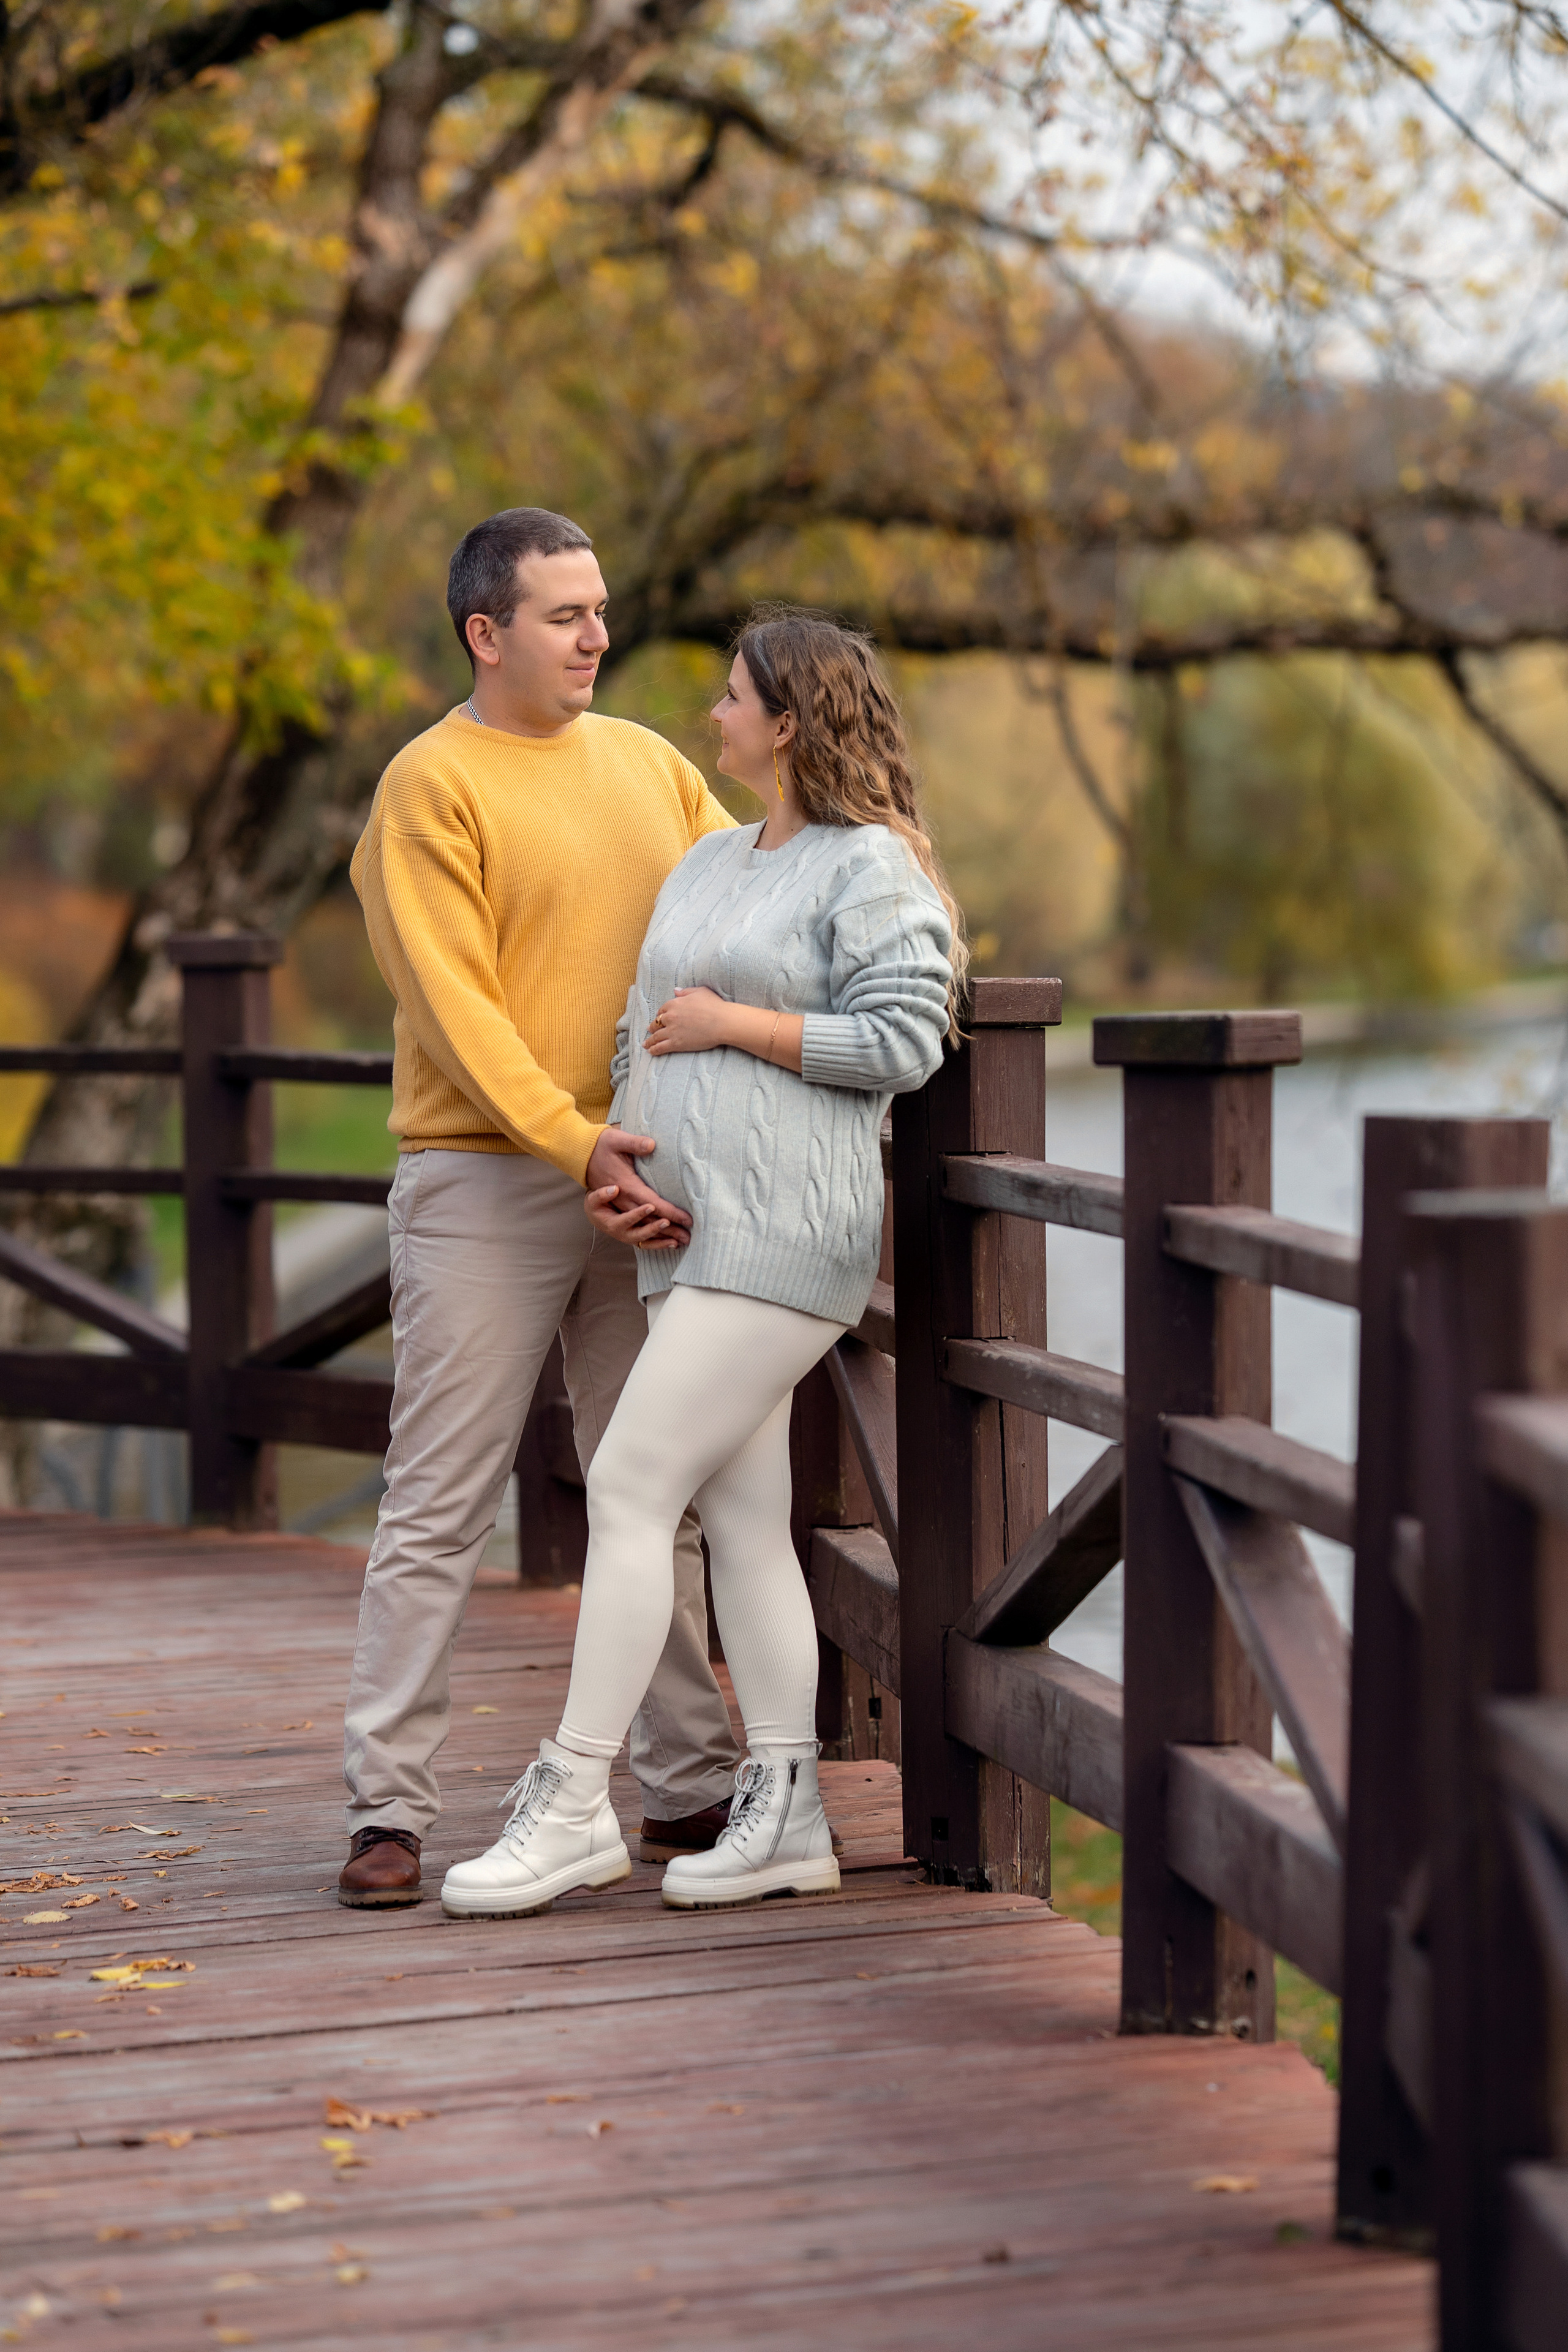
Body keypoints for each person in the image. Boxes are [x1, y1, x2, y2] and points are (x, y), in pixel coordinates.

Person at [440, 606, 963, 1919]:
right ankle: (783, 1808)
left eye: (732, 697)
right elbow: (637, 1035)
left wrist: (741, 1022)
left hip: (787, 1232)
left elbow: (906, 1041)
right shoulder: (709, 861)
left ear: (786, 722)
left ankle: (569, 1802)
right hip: (689, 1233)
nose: (712, 715)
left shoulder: (872, 868)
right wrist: (618, 1172)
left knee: (624, 1487)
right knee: (737, 1522)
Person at [337, 505, 748, 1909]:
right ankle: (388, 1809)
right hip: (490, 1186)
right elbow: (457, 1015)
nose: (597, 634)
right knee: (438, 1504)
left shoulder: (649, 765)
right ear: (485, 632)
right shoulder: (427, 788)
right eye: (566, 613)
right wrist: (578, 1145)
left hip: (650, 1181)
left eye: (600, 608)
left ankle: (689, 1788)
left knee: (659, 1490)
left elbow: (751, 903)